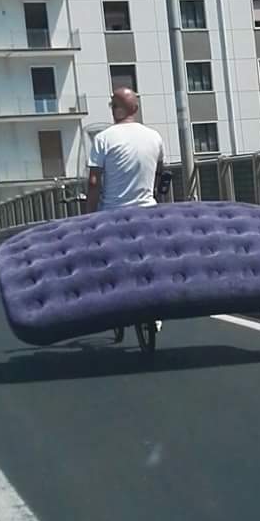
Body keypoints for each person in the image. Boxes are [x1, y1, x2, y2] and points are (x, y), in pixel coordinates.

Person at [86, 87, 165, 343]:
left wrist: (89, 216)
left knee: (109, 264)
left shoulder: (104, 139)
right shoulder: (155, 137)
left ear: (116, 109)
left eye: (112, 106)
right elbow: (160, 172)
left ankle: (118, 307)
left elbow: (94, 181)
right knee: (150, 260)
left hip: (114, 214)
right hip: (148, 212)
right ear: (136, 109)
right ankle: (155, 312)